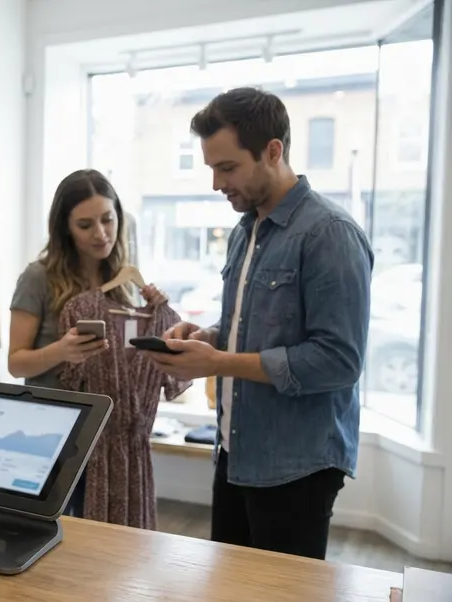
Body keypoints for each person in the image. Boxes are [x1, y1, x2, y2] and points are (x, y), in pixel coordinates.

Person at [146, 87, 373, 560]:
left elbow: (339, 361)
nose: (215, 183)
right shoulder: (243, 231)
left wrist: (220, 361)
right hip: (235, 451)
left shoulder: (330, 234)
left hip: (297, 467)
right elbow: (244, 329)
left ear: (274, 151)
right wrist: (203, 338)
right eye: (211, 168)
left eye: (227, 168)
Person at [8, 168, 168, 517]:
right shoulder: (39, 277)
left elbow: (132, 352)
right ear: (65, 227)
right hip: (51, 432)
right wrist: (61, 351)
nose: (101, 233)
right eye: (85, 225)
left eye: (108, 220)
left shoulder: (123, 280)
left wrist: (153, 312)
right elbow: (16, 362)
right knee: (55, 537)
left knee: (103, 544)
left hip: (109, 435)